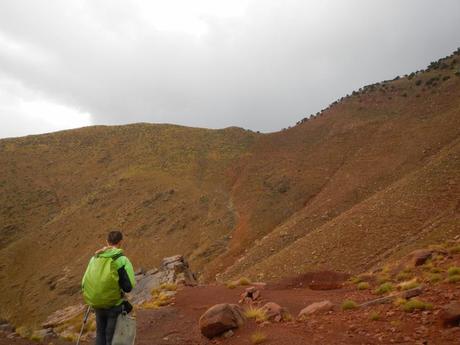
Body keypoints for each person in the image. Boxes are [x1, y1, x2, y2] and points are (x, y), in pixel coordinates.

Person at [82, 230, 136, 345]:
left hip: (97, 304)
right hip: (114, 304)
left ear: (107, 241)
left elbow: (83, 283)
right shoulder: (122, 260)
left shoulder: (94, 259)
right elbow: (128, 286)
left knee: (100, 334)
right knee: (111, 337)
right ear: (120, 242)